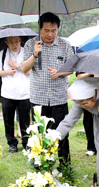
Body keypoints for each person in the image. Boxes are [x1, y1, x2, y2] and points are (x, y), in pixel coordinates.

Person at [21, 12, 74, 167]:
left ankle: (64, 165)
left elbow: (72, 68)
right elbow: (24, 68)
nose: (50, 34)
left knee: (61, 133)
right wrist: (35, 55)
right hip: (38, 98)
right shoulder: (31, 44)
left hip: (58, 97)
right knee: (39, 133)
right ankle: (42, 164)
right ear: (40, 29)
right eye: (46, 30)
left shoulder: (65, 45)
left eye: (54, 30)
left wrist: (60, 73)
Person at [0, 36, 31, 153]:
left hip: (24, 92)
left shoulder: (27, 53)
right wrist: (8, 72)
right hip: (7, 92)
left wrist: (18, 66)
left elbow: (31, 72)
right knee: (8, 120)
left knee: (25, 120)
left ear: (20, 41)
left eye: (17, 41)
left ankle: (26, 142)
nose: (15, 44)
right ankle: (12, 143)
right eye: (11, 42)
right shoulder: (2, 54)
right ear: (7, 43)